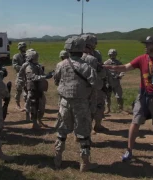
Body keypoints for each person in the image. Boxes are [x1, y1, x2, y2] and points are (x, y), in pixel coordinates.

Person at [103, 36, 153, 161]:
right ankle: (129, 150)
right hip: (142, 96)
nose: (146, 46)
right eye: (146, 44)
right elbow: (126, 67)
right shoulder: (141, 58)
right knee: (135, 122)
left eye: (148, 44)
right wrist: (111, 67)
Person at [53, 36, 102, 172]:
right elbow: (97, 85)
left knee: (62, 131)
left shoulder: (61, 64)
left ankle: (57, 159)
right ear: (81, 49)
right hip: (81, 103)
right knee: (83, 133)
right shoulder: (86, 67)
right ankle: (85, 163)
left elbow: (56, 80)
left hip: (64, 102)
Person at [18, 49, 53, 129]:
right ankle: (34, 123)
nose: (37, 58)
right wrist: (45, 77)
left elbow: (41, 74)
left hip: (38, 88)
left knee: (42, 105)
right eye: (35, 57)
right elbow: (32, 77)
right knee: (33, 106)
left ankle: (39, 120)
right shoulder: (28, 66)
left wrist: (48, 74)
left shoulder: (36, 65)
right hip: (32, 88)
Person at [104, 49, 125, 113]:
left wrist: (120, 75)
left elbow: (123, 69)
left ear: (116, 55)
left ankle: (121, 108)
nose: (112, 56)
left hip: (116, 82)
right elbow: (103, 71)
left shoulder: (118, 62)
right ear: (109, 55)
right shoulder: (106, 63)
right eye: (111, 54)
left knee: (119, 96)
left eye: (114, 54)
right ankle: (108, 109)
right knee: (107, 96)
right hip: (108, 82)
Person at [12, 42, 27, 111]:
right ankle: (17, 104)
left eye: (24, 47)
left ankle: (26, 104)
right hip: (20, 75)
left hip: (27, 75)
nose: (23, 49)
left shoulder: (28, 55)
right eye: (22, 47)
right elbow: (15, 66)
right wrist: (23, 68)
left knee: (26, 90)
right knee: (18, 90)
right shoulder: (16, 56)